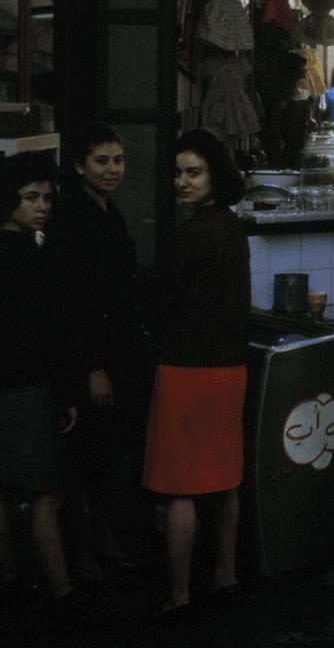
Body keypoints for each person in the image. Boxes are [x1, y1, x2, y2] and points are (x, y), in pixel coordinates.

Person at [143, 129, 250, 621]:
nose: (182, 182)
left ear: (214, 176)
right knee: (224, 481)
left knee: (179, 487)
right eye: (179, 173)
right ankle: (226, 575)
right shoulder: (233, 229)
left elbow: (159, 304)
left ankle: (180, 593)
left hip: (185, 369)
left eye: (194, 173)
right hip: (230, 368)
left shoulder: (187, 236)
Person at [48, 123, 149, 577]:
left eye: (118, 160)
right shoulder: (73, 218)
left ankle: (105, 544)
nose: (112, 170)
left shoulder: (109, 210)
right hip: (91, 358)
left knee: (109, 456)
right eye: (101, 161)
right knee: (90, 459)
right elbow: (74, 303)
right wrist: (93, 368)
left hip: (119, 351)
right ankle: (85, 553)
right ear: (78, 166)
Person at [0, 153, 83, 624]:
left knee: (5, 491)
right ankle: (63, 592)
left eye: (48, 198)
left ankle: (10, 583)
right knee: (46, 496)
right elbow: (49, 335)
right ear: (10, 200)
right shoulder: (30, 258)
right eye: (32, 197)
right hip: (28, 387)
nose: (42, 206)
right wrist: (66, 393)